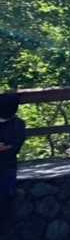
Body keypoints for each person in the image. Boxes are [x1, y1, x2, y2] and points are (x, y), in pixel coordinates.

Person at [0, 93, 25, 224]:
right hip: (7, 166)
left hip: (7, 166)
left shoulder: (18, 125)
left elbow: (14, 147)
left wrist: (5, 147)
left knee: (5, 197)